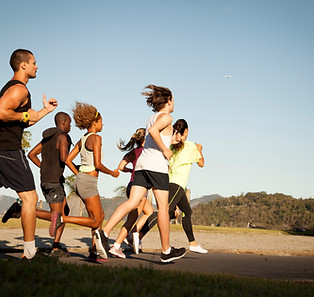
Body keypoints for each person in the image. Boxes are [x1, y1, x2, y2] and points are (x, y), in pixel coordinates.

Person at [97, 85, 186, 263]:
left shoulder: (152, 117)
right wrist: (165, 151)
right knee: (163, 208)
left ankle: (104, 233)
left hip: (142, 166)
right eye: (173, 99)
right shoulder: (167, 117)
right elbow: (153, 133)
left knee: (132, 202)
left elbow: (153, 132)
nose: (174, 102)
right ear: (168, 101)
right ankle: (166, 250)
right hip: (156, 166)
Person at [0, 49, 58, 260]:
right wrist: (26, 113)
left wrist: (44, 111)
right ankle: (30, 252)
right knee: (30, 198)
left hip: (4, 149)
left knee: (28, 198)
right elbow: (1, 111)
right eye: (34, 62)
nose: (36, 66)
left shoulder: (15, 89)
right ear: (23, 65)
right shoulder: (19, 89)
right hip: (7, 150)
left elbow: (26, 119)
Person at [49, 102, 119, 262]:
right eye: (101, 121)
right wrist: (113, 173)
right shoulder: (96, 138)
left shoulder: (83, 138)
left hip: (81, 180)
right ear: (94, 122)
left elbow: (67, 160)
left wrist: (79, 174)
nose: (102, 124)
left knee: (99, 215)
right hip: (88, 182)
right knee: (95, 219)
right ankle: (62, 219)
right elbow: (98, 164)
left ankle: (95, 252)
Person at [137, 119, 207, 253]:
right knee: (162, 212)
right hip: (177, 184)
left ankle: (192, 243)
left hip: (172, 182)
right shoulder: (191, 146)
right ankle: (137, 235)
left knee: (187, 211)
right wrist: (200, 150)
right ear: (186, 131)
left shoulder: (172, 145)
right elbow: (201, 163)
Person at [27, 112, 72, 257]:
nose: (70, 126)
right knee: (58, 216)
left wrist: (43, 167)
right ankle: (21, 210)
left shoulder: (47, 138)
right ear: (63, 122)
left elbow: (31, 154)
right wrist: (77, 170)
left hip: (45, 180)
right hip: (54, 181)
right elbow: (64, 158)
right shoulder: (62, 137)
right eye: (69, 123)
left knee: (65, 212)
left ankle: (56, 247)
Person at [108, 128, 154, 258]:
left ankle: (130, 234)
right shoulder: (148, 152)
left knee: (149, 212)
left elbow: (120, 166)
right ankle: (117, 244)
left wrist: (130, 171)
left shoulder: (133, 152)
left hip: (131, 185)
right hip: (140, 187)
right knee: (131, 219)